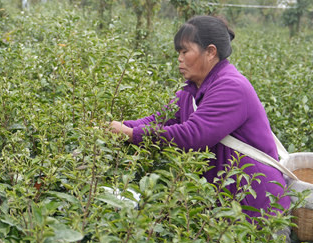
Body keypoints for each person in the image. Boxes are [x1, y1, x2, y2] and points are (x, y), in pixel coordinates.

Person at [109, 15, 291, 221]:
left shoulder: (231, 87)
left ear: (211, 52)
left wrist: (133, 134)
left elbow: (194, 135)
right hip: (225, 207)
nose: (179, 58)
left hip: (258, 209)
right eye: (179, 52)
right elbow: (158, 120)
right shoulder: (191, 92)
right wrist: (118, 128)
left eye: (185, 51)